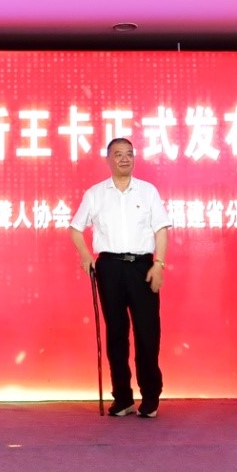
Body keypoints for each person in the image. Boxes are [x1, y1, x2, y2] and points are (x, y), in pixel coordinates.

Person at [70, 138, 171, 418]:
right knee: (116, 334)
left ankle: (150, 397)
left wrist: (159, 263)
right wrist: (85, 256)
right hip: (109, 268)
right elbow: (75, 228)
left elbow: (161, 229)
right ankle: (123, 398)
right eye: (118, 154)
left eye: (129, 154)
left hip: (142, 267)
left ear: (134, 158)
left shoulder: (148, 191)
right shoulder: (95, 194)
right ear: (108, 160)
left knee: (147, 333)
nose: (124, 159)